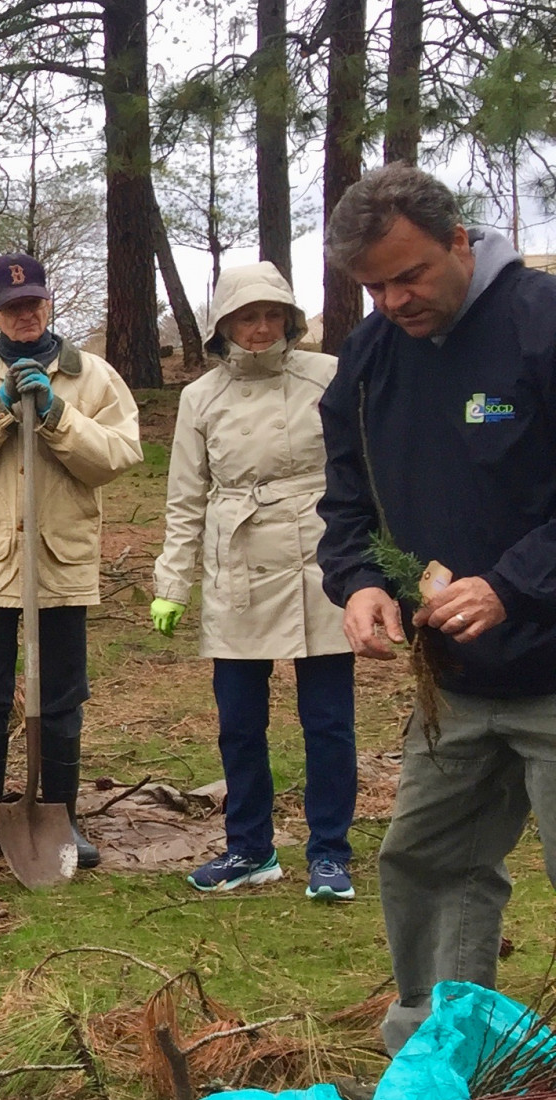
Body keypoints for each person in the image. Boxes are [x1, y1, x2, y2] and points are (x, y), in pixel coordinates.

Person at [312, 162, 556, 1052]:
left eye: (408, 274)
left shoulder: (540, 321)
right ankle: (442, 1039)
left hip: (551, 663)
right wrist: (362, 579)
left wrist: (513, 584)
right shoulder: (374, 355)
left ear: (459, 240)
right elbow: (347, 493)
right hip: (450, 677)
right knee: (428, 856)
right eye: (373, 285)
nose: (393, 300)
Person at [0, 252, 142, 868]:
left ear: (49, 303)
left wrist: (58, 415)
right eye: (12, 307)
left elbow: (118, 456)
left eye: (35, 303)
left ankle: (61, 816)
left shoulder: (91, 377)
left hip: (60, 559)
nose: (26, 315)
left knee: (64, 693)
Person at [151, 261, 357, 900]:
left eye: (272, 315)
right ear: (225, 326)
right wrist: (171, 582)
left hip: (319, 554)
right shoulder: (201, 397)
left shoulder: (327, 376)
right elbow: (187, 495)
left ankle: (329, 851)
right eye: (248, 316)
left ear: (291, 320)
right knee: (240, 720)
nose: (261, 327)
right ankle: (249, 847)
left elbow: (365, 469)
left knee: (328, 719)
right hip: (236, 559)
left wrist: (373, 561)